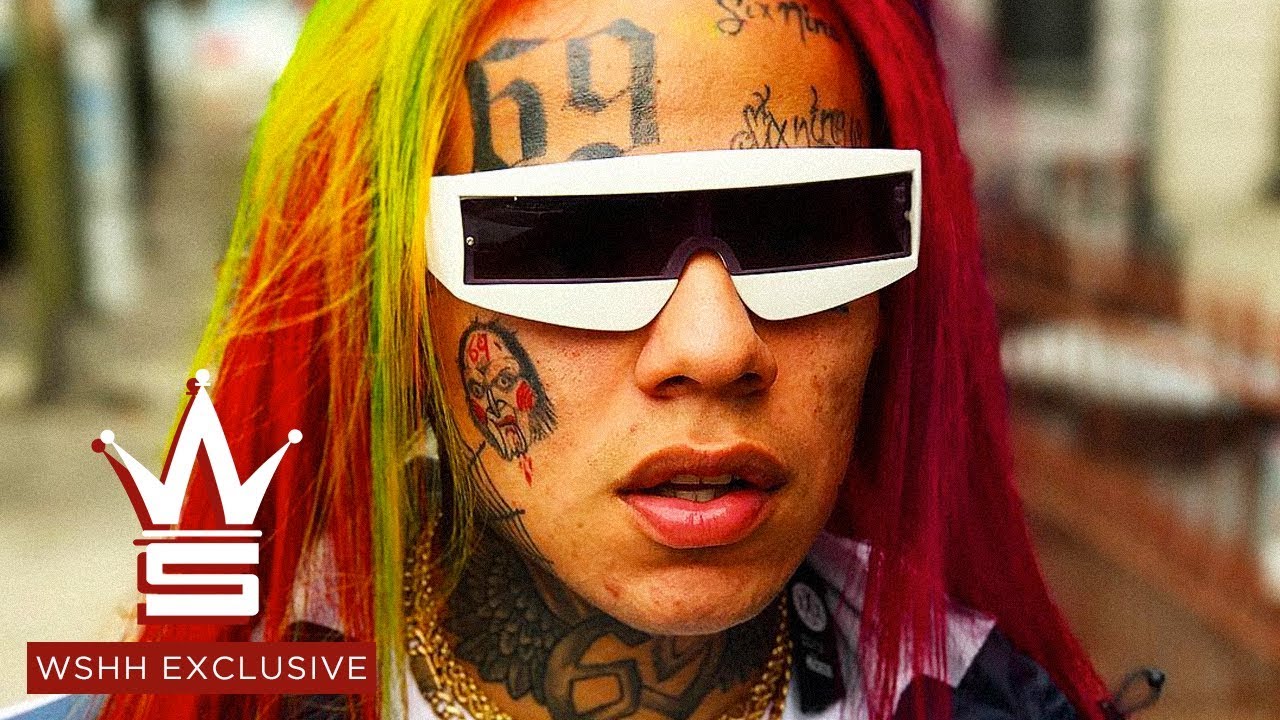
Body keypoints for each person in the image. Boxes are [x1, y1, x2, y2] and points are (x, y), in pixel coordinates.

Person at [89, 0, 1117, 718]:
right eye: (576, 244)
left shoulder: (982, 698)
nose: (714, 348)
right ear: (391, 303)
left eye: (806, 230)